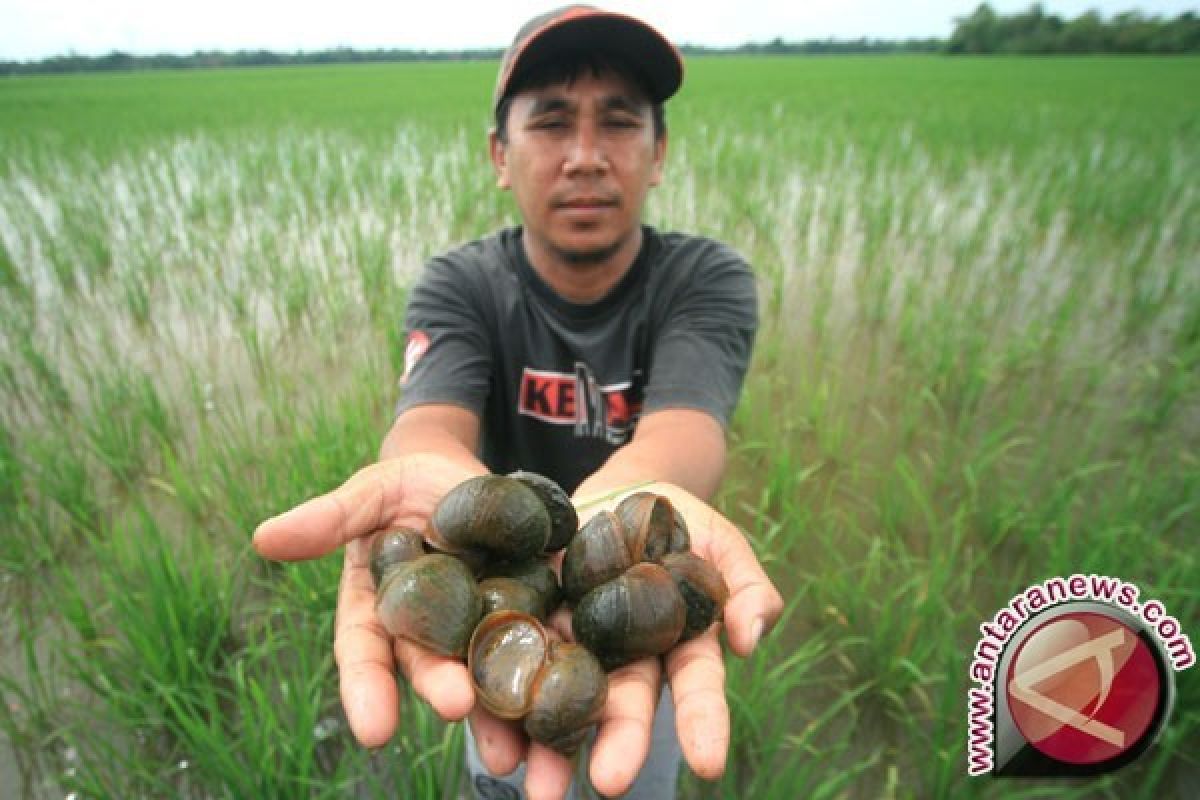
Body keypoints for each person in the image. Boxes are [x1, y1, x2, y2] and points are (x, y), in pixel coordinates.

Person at [252, 6, 784, 799]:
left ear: (658, 151)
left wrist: (620, 510)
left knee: (635, 775)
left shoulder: (704, 279)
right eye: (551, 122)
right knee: (500, 769)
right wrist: (428, 484)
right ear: (500, 155)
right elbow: (428, 425)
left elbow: (688, 432)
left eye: (619, 122)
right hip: (497, 629)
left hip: (639, 653)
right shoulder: (461, 284)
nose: (585, 157)